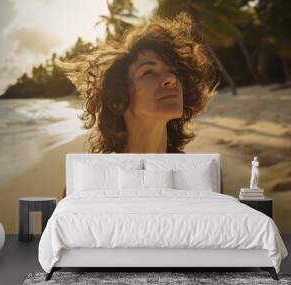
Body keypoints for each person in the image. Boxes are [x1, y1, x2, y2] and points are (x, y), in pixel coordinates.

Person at [58, 12, 219, 198]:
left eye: (174, 72)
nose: (171, 79)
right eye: (149, 72)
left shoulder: (194, 178)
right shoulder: (89, 181)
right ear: (119, 99)